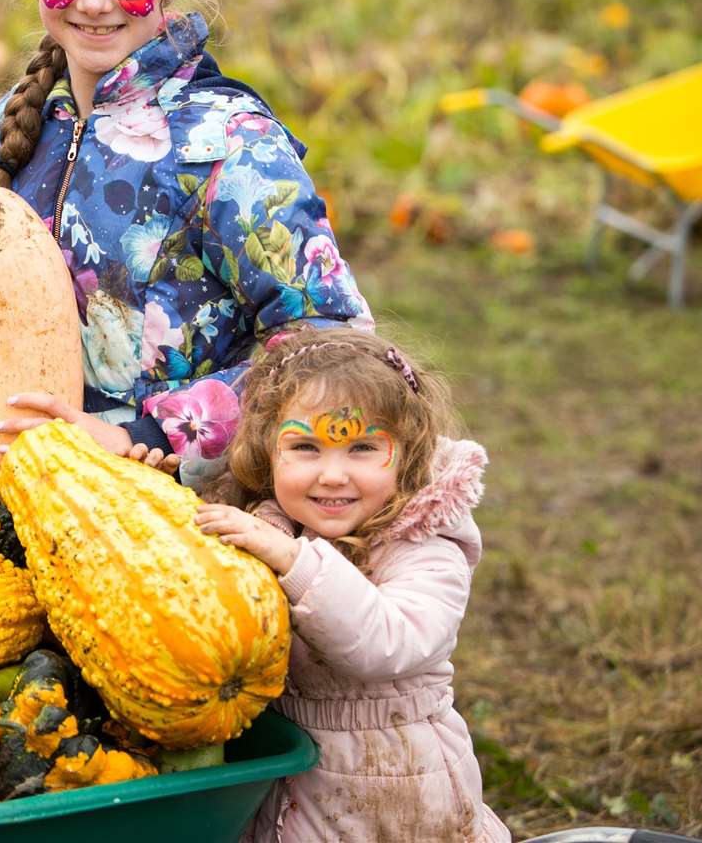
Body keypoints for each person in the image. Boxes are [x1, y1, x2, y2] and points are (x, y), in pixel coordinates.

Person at [0, 0, 368, 490]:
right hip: (8, 496)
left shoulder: (229, 144)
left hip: (175, 511)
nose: (93, 3)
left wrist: (150, 435)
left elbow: (329, 340)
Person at [194, 327, 509, 841]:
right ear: (268, 451)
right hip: (290, 791)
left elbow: (388, 643)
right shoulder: (270, 526)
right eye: (306, 446)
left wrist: (293, 561)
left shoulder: (427, 546)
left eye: (362, 447)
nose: (333, 474)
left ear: (406, 453)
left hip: (397, 796)